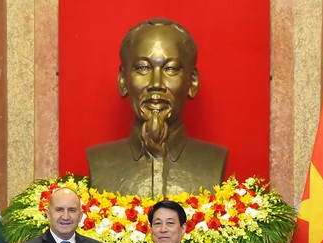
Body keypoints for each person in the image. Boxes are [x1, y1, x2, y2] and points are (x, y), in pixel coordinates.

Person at [86, 18, 227, 197]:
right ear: (123, 80)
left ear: (192, 82)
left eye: (171, 69)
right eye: (143, 68)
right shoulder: (100, 161)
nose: (156, 84)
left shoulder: (213, 161)